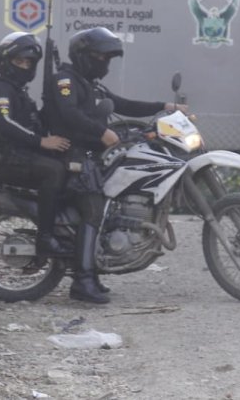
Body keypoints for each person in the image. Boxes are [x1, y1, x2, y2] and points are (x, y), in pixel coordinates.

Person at [44, 27, 187, 304]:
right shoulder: (65, 80)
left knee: (109, 202)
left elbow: (123, 104)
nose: (105, 63)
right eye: (100, 56)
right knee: (93, 207)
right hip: (69, 154)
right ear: (84, 55)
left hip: (86, 153)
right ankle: (83, 281)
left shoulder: (90, 83)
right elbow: (68, 113)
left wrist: (165, 107)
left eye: (108, 58)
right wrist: (101, 133)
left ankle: (94, 270)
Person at [0, 31, 72, 260]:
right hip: (4, 159)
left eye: (28, 62)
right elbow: (5, 123)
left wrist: (55, 105)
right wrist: (42, 142)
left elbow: (34, 123)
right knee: (54, 171)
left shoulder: (20, 93)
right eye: (18, 61)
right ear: (5, 61)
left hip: (19, 156)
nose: (24, 66)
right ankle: (46, 238)